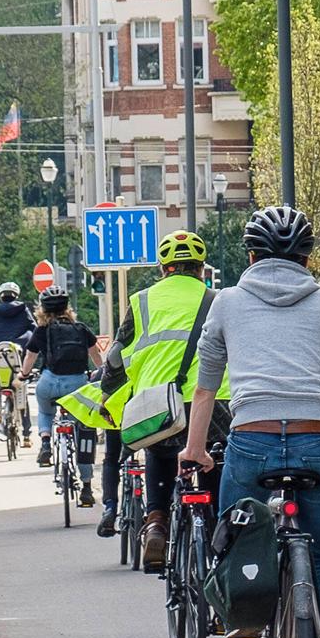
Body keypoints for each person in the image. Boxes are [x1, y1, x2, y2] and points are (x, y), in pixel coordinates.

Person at [181, 205, 320, 638]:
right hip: (318, 442)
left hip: (252, 441)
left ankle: (244, 618)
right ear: (307, 258)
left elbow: (206, 388)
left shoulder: (227, 303)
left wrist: (195, 450)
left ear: (251, 256)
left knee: (237, 535)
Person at [95, 231, 222, 564]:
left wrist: (108, 397)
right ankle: (221, 531)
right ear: (202, 268)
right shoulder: (219, 300)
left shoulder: (142, 301)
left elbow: (115, 357)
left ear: (163, 268)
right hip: (215, 403)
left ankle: (156, 522)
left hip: (159, 401)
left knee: (160, 451)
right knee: (216, 459)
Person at [15, 289, 100, 502]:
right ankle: (86, 487)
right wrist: (102, 373)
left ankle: (45, 442)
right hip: (77, 386)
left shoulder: (42, 331)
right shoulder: (81, 329)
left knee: (45, 412)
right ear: (67, 308)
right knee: (83, 432)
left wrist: (23, 375)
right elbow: (96, 356)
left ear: (42, 310)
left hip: (49, 382)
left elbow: (30, 357)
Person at [0, 283, 37, 444]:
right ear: (16, 295)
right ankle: (26, 434)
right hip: (17, 355)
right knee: (20, 388)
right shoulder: (23, 310)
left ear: (1, 296)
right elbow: (35, 330)